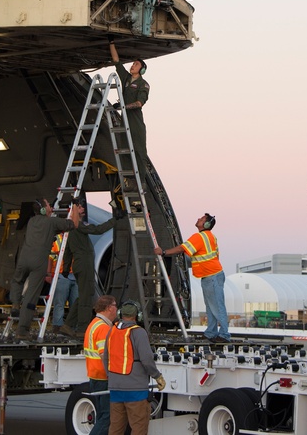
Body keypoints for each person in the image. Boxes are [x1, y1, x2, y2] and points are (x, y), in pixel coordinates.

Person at [10, 197, 81, 339]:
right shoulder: (52, 222)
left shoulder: (31, 222)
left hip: (23, 259)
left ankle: (15, 303)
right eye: (48, 205)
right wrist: (75, 206)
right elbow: (74, 224)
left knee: (17, 281)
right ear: (44, 209)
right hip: (38, 263)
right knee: (31, 296)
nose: (51, 207)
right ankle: (22, 330)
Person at [155, 214, 229, 342]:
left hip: (211, 276)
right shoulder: (210, 237)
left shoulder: (199, 237)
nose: (198, 219)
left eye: (201, 219)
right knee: (211, 306)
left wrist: (164, 252)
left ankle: (224, 335)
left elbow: (182, 248)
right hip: (211, 276)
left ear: (206, 224)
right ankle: (211, 333)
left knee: (216, 306)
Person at [103, 301, 165, 435]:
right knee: (138, 428)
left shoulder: (112, 331)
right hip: (136, 390)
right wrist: (157, 376)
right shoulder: (139, 332)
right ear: (138, 316)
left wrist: (112, 377)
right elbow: (147, 359)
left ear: (120, 314)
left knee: (115, 429)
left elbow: (105, 358)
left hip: (116, 389)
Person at [61, 200, 116, 337]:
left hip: (79, 264)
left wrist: (66, 268)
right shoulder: (78, 225)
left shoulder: (70, 228)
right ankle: (82, 329)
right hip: (84, 264)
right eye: (79, 207)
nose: (82, 209)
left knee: (83, 296)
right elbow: (98, 230)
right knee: (86, 298)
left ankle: (67, 325)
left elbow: (67, 250)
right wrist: (114, 221)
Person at [109, 41, 150, 180]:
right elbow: (116, 61)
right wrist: (111, 43)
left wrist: (123, 107)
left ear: (142, 70)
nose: (133, 65)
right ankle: (128, 180)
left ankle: (141, 182)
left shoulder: (143, 84)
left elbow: (139, 103)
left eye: (136, 64)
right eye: (133, 63)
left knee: (139, 152)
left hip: (135, 122)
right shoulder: (126, 78)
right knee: (124, 151)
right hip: (124, 120)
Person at [83, 295, 118, 435]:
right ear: (109, 308)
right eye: (115, 305)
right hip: (103, 378)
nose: (117, 309)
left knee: (101, 416)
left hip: (95, 376)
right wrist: (113, 376)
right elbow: (105, 356)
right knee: (106, 417)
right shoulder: (103, 328)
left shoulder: (94, 324)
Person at [49, 236, 78, 329]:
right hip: (61, 274)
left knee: (74, 304)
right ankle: (58, 326)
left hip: (74, 275)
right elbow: (51, 256)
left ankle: (70, 327)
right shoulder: (59, 238)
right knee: (60, 303)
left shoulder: (77, 237)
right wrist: (49, 273)